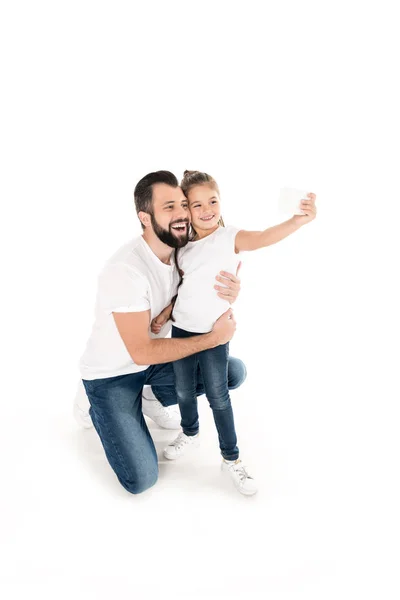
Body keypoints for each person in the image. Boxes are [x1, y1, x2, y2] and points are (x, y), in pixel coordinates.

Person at [150, 170, 317, 496]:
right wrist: (167, 313)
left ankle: (231, 458)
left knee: (218, 396)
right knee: (184, 390)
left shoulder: (229, 237)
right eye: (197, 205)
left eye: (212, 201)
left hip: (215, 334)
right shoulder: (182, 247)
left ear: (221, 202)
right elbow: (184, 286)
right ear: (186, 208)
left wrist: (296, 221)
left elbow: (265, 236)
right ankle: (190, 432)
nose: (207, 209)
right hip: (182, 331)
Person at [78, 171, 245, 495]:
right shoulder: (125, 271)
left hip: (151, 364)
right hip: (112, 374)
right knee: (141, 479)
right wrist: (214, 338)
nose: (182, 214)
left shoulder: (183, 253)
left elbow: (203, 282)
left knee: (231, 372)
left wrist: (228, 291)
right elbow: (140, 351)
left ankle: (149, 395)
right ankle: (94, 404)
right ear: (145, 217)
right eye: (169, 207)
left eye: (183, 205)